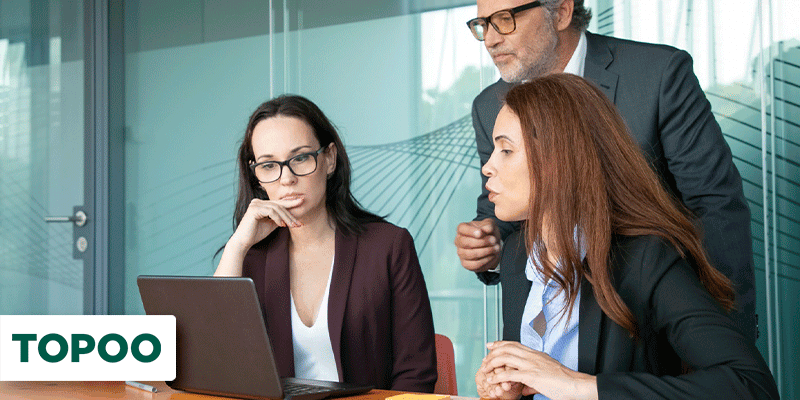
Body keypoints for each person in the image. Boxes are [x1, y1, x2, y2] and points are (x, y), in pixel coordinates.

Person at [454, 0, 757, 341]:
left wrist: (730, 334)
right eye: (482, 24)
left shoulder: (657, 74)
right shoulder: (489, 104)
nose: (490, 39)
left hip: (657, 326)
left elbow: (716, 208)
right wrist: (486, 241)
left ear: (563, 12)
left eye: (505, 20)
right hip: (554, 331)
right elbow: (502, 214)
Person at [474, 74, 777, 400]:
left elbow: (751, 387)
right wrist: (507, 390)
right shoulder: (518, 254)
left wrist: (575, 386)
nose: (487, 167)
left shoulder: (647, 258)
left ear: (558, 161)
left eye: (506, 150)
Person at [214, 95, 437, 392]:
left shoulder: (388, 246)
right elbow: (217, 363)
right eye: (269, 165)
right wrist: (236, 246)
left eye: (301, 158)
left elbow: (416, 373)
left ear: (329, 159)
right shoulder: (250, 258)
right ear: (256, 177)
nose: (287, 178)